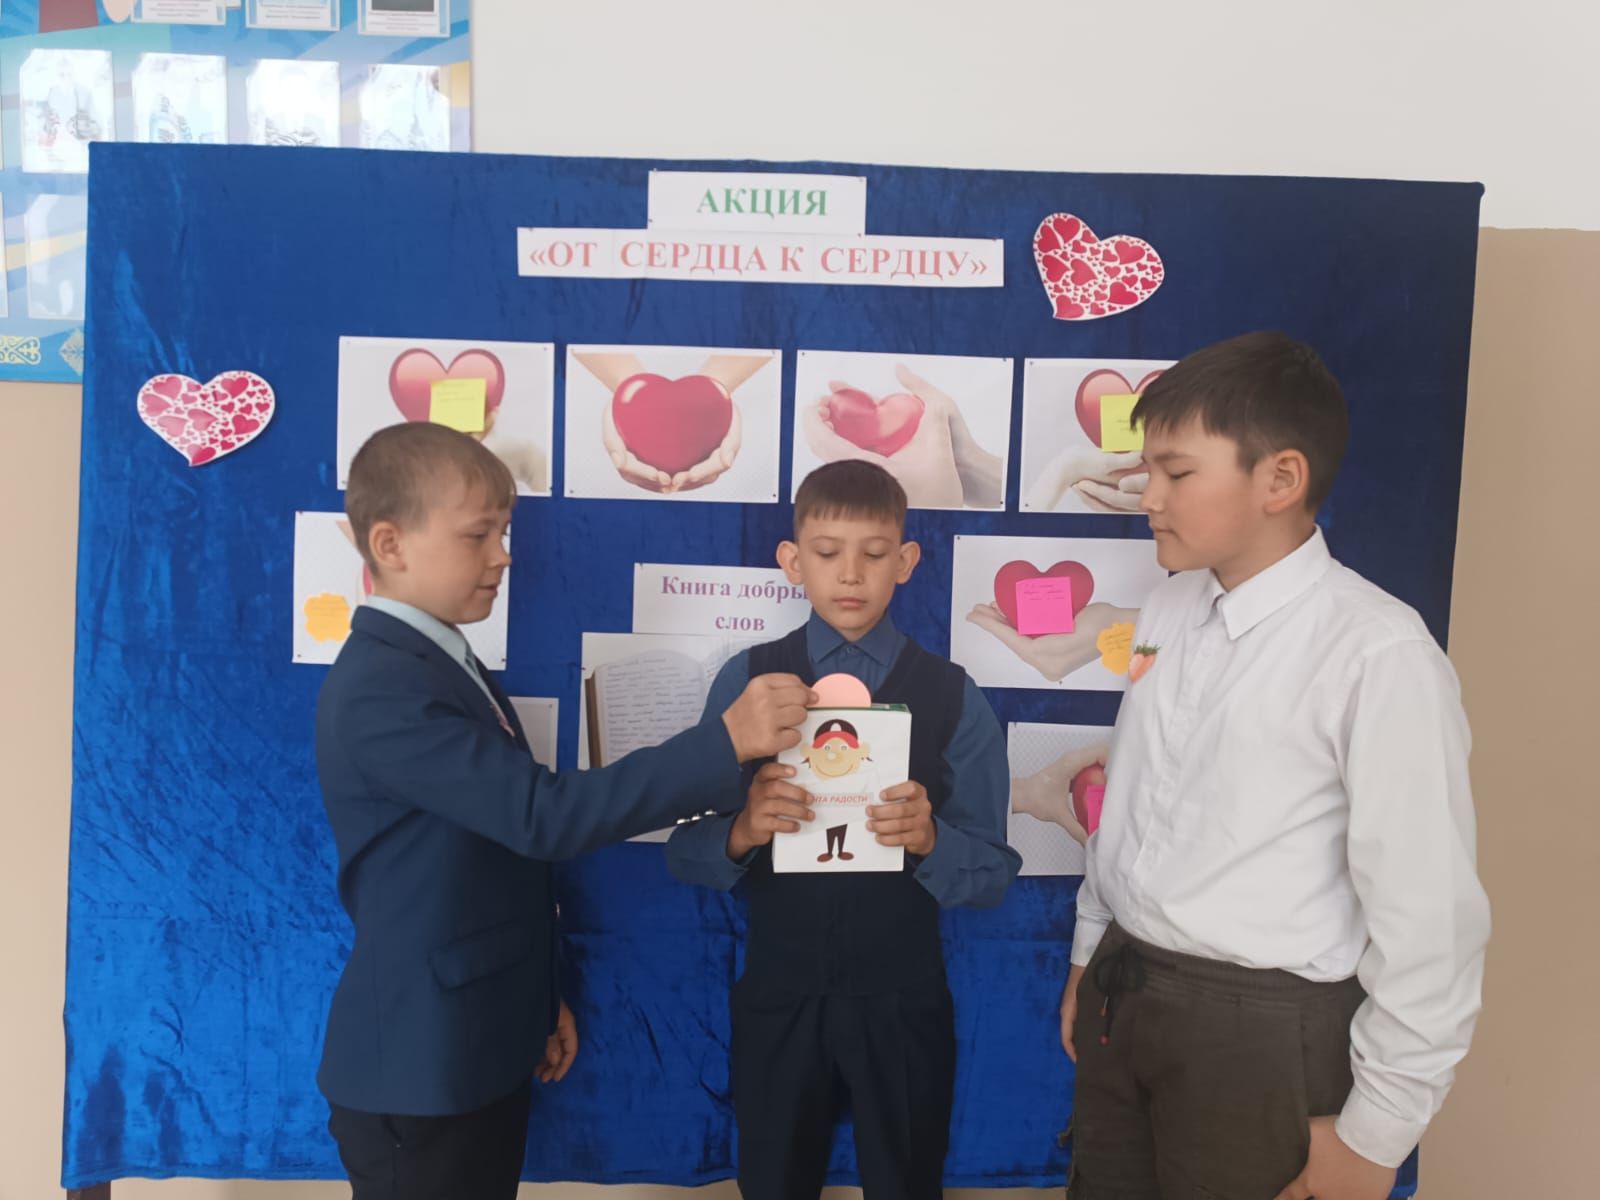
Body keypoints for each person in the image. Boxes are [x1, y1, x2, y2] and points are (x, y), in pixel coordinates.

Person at [316, 422, 812, 1200]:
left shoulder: (440, 661)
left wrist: (535, 1002)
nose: (504, 556)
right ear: (390, 543)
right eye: (479, 535)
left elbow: (493, 856)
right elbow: (539, 817)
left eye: (504, 533)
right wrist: (724, 742)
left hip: (476, 1044)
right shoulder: (383, 687)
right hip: (419, 1071)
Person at [1060, 332, 1490, 1200]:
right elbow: (1135, 796)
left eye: (1178, 473)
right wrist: (1090, 953)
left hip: (1260, 1033)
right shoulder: (1168, 608)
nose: (1150, 497)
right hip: (1126, 992)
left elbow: (1430, 921)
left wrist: (1376, 1134)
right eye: (1148, 470)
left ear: (1280, 479)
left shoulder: (1378, 653)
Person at [666, 459, 1021, 1200]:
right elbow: (684, 850)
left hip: (903, 996)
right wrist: (743, 829)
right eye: (827, 552)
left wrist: (932, 839)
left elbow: (992, 874)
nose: (851, 574)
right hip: (780, 992)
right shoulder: (748, 681)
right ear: (793, 561)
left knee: (907, 1183)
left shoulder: (951, 695)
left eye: (875, 552)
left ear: (907, 561)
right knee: (772, 1182)